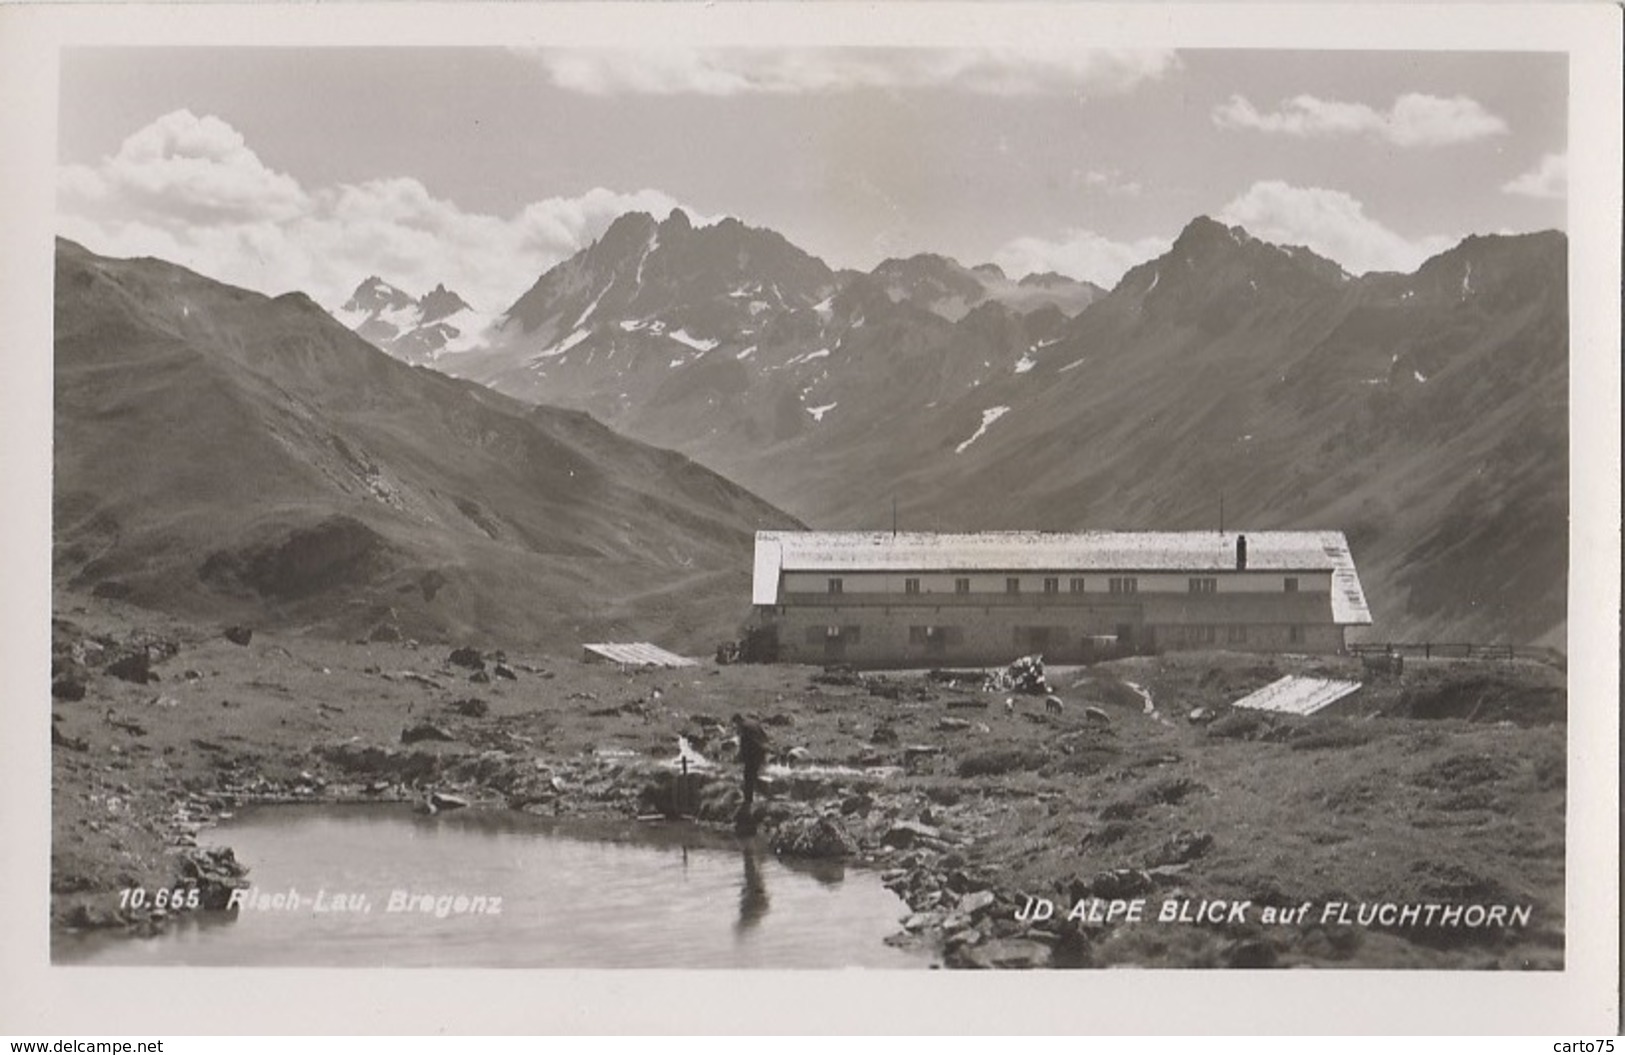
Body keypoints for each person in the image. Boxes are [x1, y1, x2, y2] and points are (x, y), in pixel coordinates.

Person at [731, 712, 770, 830]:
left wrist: (738, 757)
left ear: (737, 721)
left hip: (753, 753)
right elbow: (765, 736)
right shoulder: (753, 723)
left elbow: (743, 745)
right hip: (761, 751)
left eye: (735, 725)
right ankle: (762, 795)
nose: (736, 728)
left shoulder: (744, 728)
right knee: (753, 774)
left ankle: (748, 801)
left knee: (748, 775)